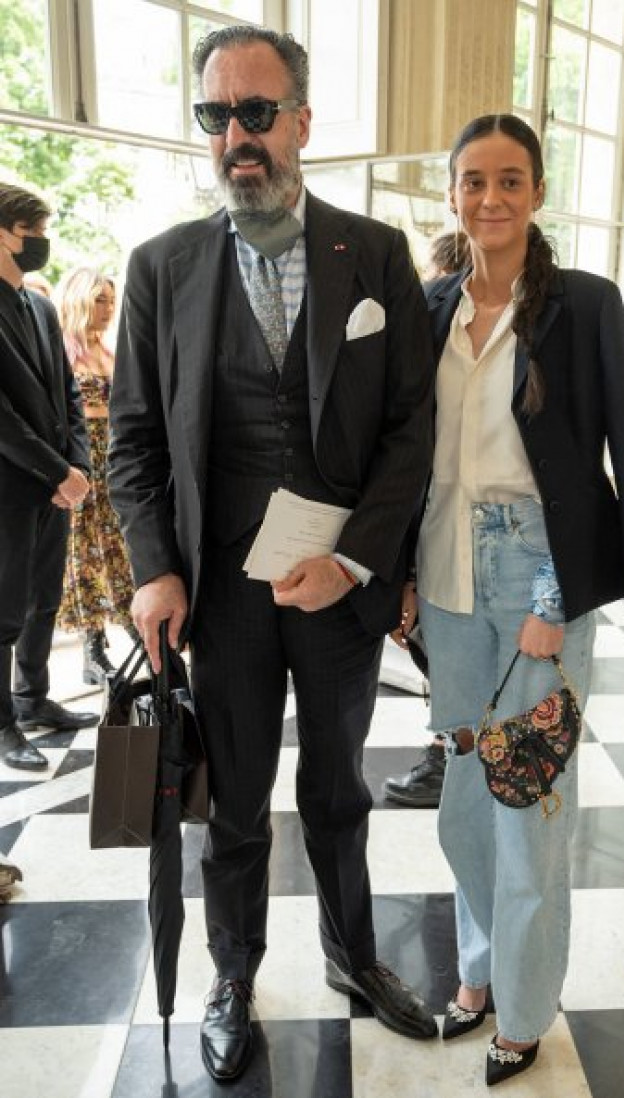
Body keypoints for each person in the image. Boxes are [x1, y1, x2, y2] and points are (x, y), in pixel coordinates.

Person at [107, 26, 437, 1085]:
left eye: (256, 113)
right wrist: (154, 566)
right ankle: (233, 976)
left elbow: (409, 427)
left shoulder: (373, 252)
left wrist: (354, 561)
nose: (237, 137)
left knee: (339, 787)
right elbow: (133, 438)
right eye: (216, 117)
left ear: (301, 119)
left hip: (339, 589)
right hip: (224, 598)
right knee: (233, 801)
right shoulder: (162, 266)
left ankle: (352, 955)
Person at [395, 114, 624, 1086]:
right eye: (471, 182)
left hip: (534, 569)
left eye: (508, 181)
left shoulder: (582, 304)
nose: (489, 199)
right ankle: (477, 974)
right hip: (446, 571)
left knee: (530, 796)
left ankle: (525, 1005)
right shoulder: (429, 307)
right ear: (451, 195)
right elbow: (407, 460)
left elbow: (601, 458)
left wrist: (561, 593)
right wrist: (405, 580)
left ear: (535, 193)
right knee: (464, 798)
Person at [0, 183, 98, 773]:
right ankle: (3, 725)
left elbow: (67, 393)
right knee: (3, 610)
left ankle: (32, 699)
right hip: (9, 486)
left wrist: (79, 467)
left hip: (56, 484)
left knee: (44, 601)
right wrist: (56, 469)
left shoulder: (38, 306)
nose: (41, 242)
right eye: (32, 231)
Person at [382, 228, 469, 809]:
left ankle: (447, 762)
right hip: (433, 513)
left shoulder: (435, 312)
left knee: (445, 654)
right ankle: (451, 759)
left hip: (444, 516)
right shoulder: (438, 315)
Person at [54, 267, 134, 684]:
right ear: (79, 299)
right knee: (82, 555)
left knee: (118, 549)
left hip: (113, 461)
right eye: (99, 299)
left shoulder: (109, 350)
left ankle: (133, 630)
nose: (107, 308)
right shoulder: (61, 350)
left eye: (110, 300)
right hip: (82, 460)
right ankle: (93, 646)